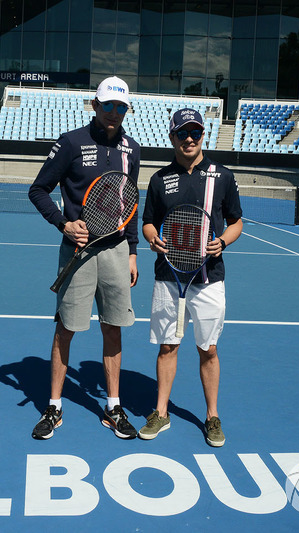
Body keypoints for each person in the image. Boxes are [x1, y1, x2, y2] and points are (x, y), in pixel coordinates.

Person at [27, 76, 141, 440]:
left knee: (113, 327)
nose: (114, 113)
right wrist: (63, 223)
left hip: (117, 252)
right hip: (78, 252)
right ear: (95, 105)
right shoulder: (70, 143)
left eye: (121, 107)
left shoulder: (132, 149)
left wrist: (134, 251)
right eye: (108, 105)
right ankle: (55, 407)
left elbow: (131, 204)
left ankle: (112, 406)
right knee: (67, 328)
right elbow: (38, 190)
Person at [138, 108, 243, 447]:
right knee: (168, 346)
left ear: (203, 136)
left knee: (208, 349)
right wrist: (152, 237)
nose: (189, 139)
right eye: (183, 133)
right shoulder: (158, 180)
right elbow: (148, 222)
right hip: (168, 277)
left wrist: (223, 241)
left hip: (210, 279)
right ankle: (161, 412)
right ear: (172, 137)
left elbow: (237, 221)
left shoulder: (222, 176)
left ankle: (212, 417)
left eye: (195, 132)